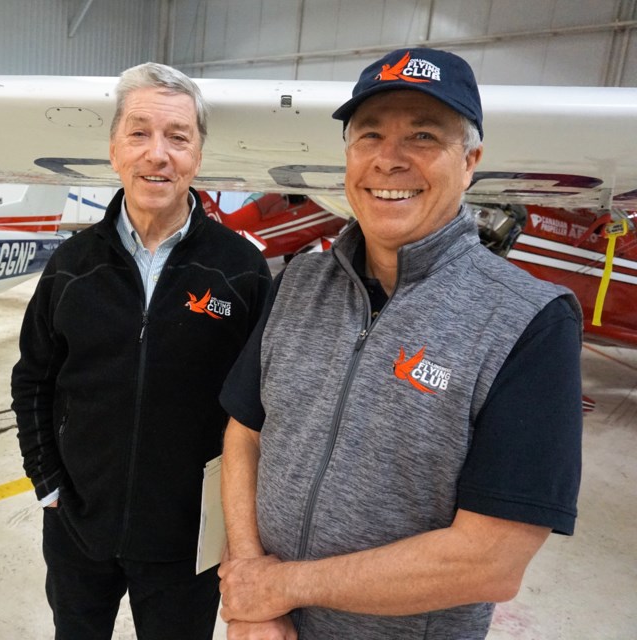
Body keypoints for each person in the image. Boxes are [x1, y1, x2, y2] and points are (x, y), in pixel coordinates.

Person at [217, 48, 583, 639]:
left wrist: (279, 587)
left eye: (422, 135)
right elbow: (245, 433)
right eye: (369, 135)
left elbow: (490, 560)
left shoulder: (530, 322)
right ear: (347, 156)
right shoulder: (299, 285)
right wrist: (250, 585)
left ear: (470, 162)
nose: (389, 160)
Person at [11, 62, 272, 640]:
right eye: (139, 133)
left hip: (187, 540)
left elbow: (265, 407)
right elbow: (33, 378)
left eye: (178, 137)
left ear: (198, 156)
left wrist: (239, 527)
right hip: (79, 529)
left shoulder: (241, 270)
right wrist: (48, 482)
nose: (158, 154)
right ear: (114, 150)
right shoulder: (72, 266)